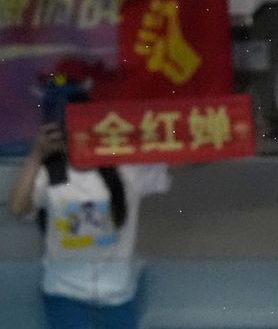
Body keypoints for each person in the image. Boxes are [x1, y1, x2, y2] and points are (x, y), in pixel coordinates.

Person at [8, 84, 171, 329]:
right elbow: (18, 207)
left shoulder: (126, 170)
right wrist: (36, 154)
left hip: (118, 296)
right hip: (64, 295)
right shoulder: (53, 172)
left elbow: (183, 158)